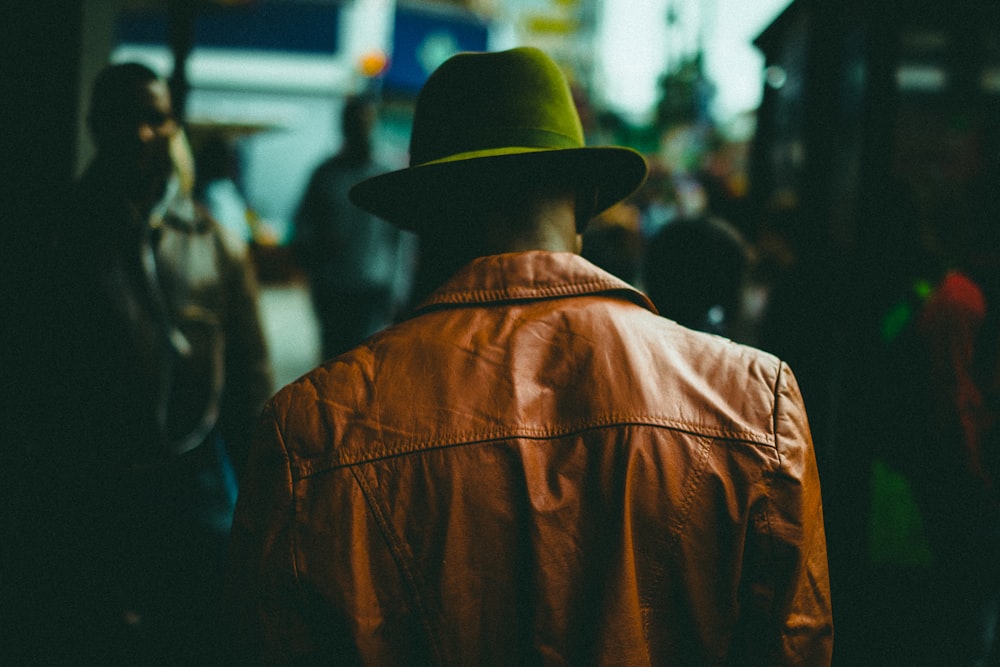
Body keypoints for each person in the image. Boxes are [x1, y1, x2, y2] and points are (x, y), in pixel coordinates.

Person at [225, 47, 833, 665]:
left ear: (421, 216)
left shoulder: (310, 428)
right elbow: (794, 645)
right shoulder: (754, 398)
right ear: (590, 197)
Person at [33, 62, 273, 664]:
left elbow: (251, 373)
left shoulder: (213, 240)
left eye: (156, 118)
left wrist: (263, 492)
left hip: (196, 473)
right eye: (123, 118)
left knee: (197, 630)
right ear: (94, 127)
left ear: (174, 127)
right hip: (93, 476)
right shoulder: (56, 235)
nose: (141, 133)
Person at [292, 94, 415, 360]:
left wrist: (400, 290)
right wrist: (317, 248)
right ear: (345, 127)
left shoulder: (386, 175)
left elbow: (401, 240)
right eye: (355, 123)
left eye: (367, 122)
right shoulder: (325, 175)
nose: (362, 129)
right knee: (334, 363)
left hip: (374, 291)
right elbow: (302, 226)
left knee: (365, 363)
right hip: (333, 289)